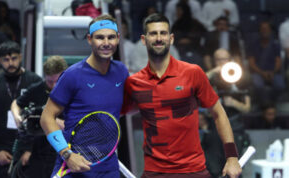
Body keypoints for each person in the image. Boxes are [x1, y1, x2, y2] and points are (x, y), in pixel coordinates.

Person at [122, 13, 241, 178]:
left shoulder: (192, 73)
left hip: (193, 170)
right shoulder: (134, 83)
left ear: (171, 39)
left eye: (163, 33)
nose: (158, 38)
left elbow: (219, 113)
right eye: (153, 33)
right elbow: (113, 114)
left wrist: (232, 156)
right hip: (155, 172)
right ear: (144, 39)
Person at [40, 14, 129, 178]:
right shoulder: (72, 75)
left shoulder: (122, 72)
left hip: (108, 167)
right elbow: (46, 117)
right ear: (89, 39)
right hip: (73, 166)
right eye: (99, 37)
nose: (106, 43)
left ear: (117, 38)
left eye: (111, 37)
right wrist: (67, 154)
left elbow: (118, 108)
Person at [0, 41, 42, 178]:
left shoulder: (34, 81)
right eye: (6, 59)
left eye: (14, 58)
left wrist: (30, 150)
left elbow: (41, 119)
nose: (10, 63)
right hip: (4, 147)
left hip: (29, 146)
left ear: (21, 57)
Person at [10, 55, 68, 178]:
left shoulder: (74, 92)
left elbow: (79, 124)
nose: (52, 86)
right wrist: (17, 117)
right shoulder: (38, 88)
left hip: (64, 149)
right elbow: (16, 103)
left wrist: (51, 121)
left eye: (56, 81)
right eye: (49, 81)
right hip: (39, 149)